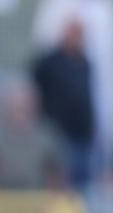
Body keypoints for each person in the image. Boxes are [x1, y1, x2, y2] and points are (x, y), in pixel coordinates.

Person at [32, 19, 95, 190]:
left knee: (82, 186)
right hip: (58, 135)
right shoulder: (49, 62)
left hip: (82, 137)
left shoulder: (85, 63)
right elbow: (34, 89)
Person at [0, 80, 63, 191]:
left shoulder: (47, 138)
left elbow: (56, 178)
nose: (19, 113)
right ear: (6, 107)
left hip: (37, 203)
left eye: (24, 107)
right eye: (15, 107)